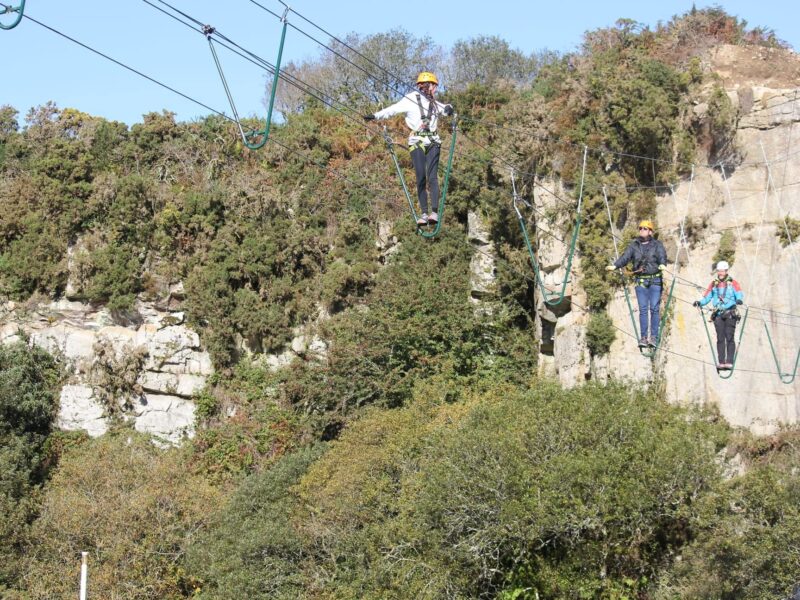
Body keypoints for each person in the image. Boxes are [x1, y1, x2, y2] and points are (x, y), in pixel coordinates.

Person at [364, 72, 454, 226]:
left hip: (432, 141)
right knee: (421, 177)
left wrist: (450, 109)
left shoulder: (434, 103)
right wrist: (375, 116)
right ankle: (424, 213)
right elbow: (393, 109)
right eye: (434, 86)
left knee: (432, 177)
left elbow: (445, 109)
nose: (435, 89)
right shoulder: (410, 99)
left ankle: (434, 212)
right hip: (417, 140)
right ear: (428, 85)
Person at [606, 220, 668, 347]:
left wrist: (662, 263)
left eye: (645, 228)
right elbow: (625, 257)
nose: (642, 230)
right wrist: (615, 266)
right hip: (641, 280)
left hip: (655, 280)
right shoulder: (634, 245)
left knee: (654, 309)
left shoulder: (657, 244)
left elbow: (662, 255)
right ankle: (644, 337)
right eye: (640, 228)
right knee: (643, 310)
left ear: (650, 231)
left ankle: (654, 337)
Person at [693, 261, 744, 369]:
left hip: (730, 313)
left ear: (726, 271)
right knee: (720, 338)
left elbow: (739, 292)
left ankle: (729, 361)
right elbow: (707, 297)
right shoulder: (713, 284)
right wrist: (700, 303)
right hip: (718, 314)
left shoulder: (732, 283)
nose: (720, 273)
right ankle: (721, 362)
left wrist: (739, 299)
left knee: (729, 337)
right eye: (719, 271)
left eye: (722, 271)